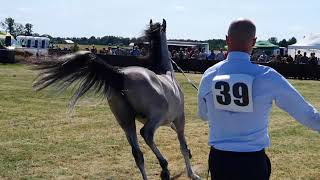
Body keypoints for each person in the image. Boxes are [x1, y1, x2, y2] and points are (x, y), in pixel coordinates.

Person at [198, 19, 320, 180]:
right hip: (253, 163)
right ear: (254, 42)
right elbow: (306, 114)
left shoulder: (209, 75)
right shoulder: (267, 76)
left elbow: (203, 115)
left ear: (227, 39)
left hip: (220, 162)